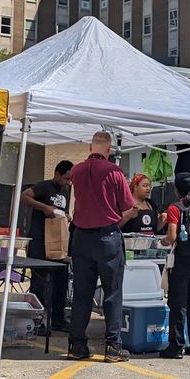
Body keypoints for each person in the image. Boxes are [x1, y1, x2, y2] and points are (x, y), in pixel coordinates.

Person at [67, 132, 135, 363]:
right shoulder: (114, 172)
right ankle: (113, 347)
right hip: (107, 236)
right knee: (112, 293)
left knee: (81, 294)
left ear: (90, 147)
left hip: (81, 236)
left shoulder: (76, 171)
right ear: (109, 149)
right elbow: (128, 206)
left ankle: (76, 345)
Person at [158, 172, 190, 359]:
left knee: (178, 303)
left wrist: (163, 241)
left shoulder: (175, 208)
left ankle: (176, 346)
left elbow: (172, 237)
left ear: (177, 189)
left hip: (181, 260)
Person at [20, 160, 73, 332]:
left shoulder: (65, 191)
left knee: (61, 281)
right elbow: (24, 196)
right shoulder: (44, 186)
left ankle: (58, 318)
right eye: (66, 178)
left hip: (57, 243)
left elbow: (59, 210)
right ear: (57, 174)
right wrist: (44, 208)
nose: (68, 182)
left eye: (70, 180)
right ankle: (37, 321)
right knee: (40, 282)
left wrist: (65, 216)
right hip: (39, 241)